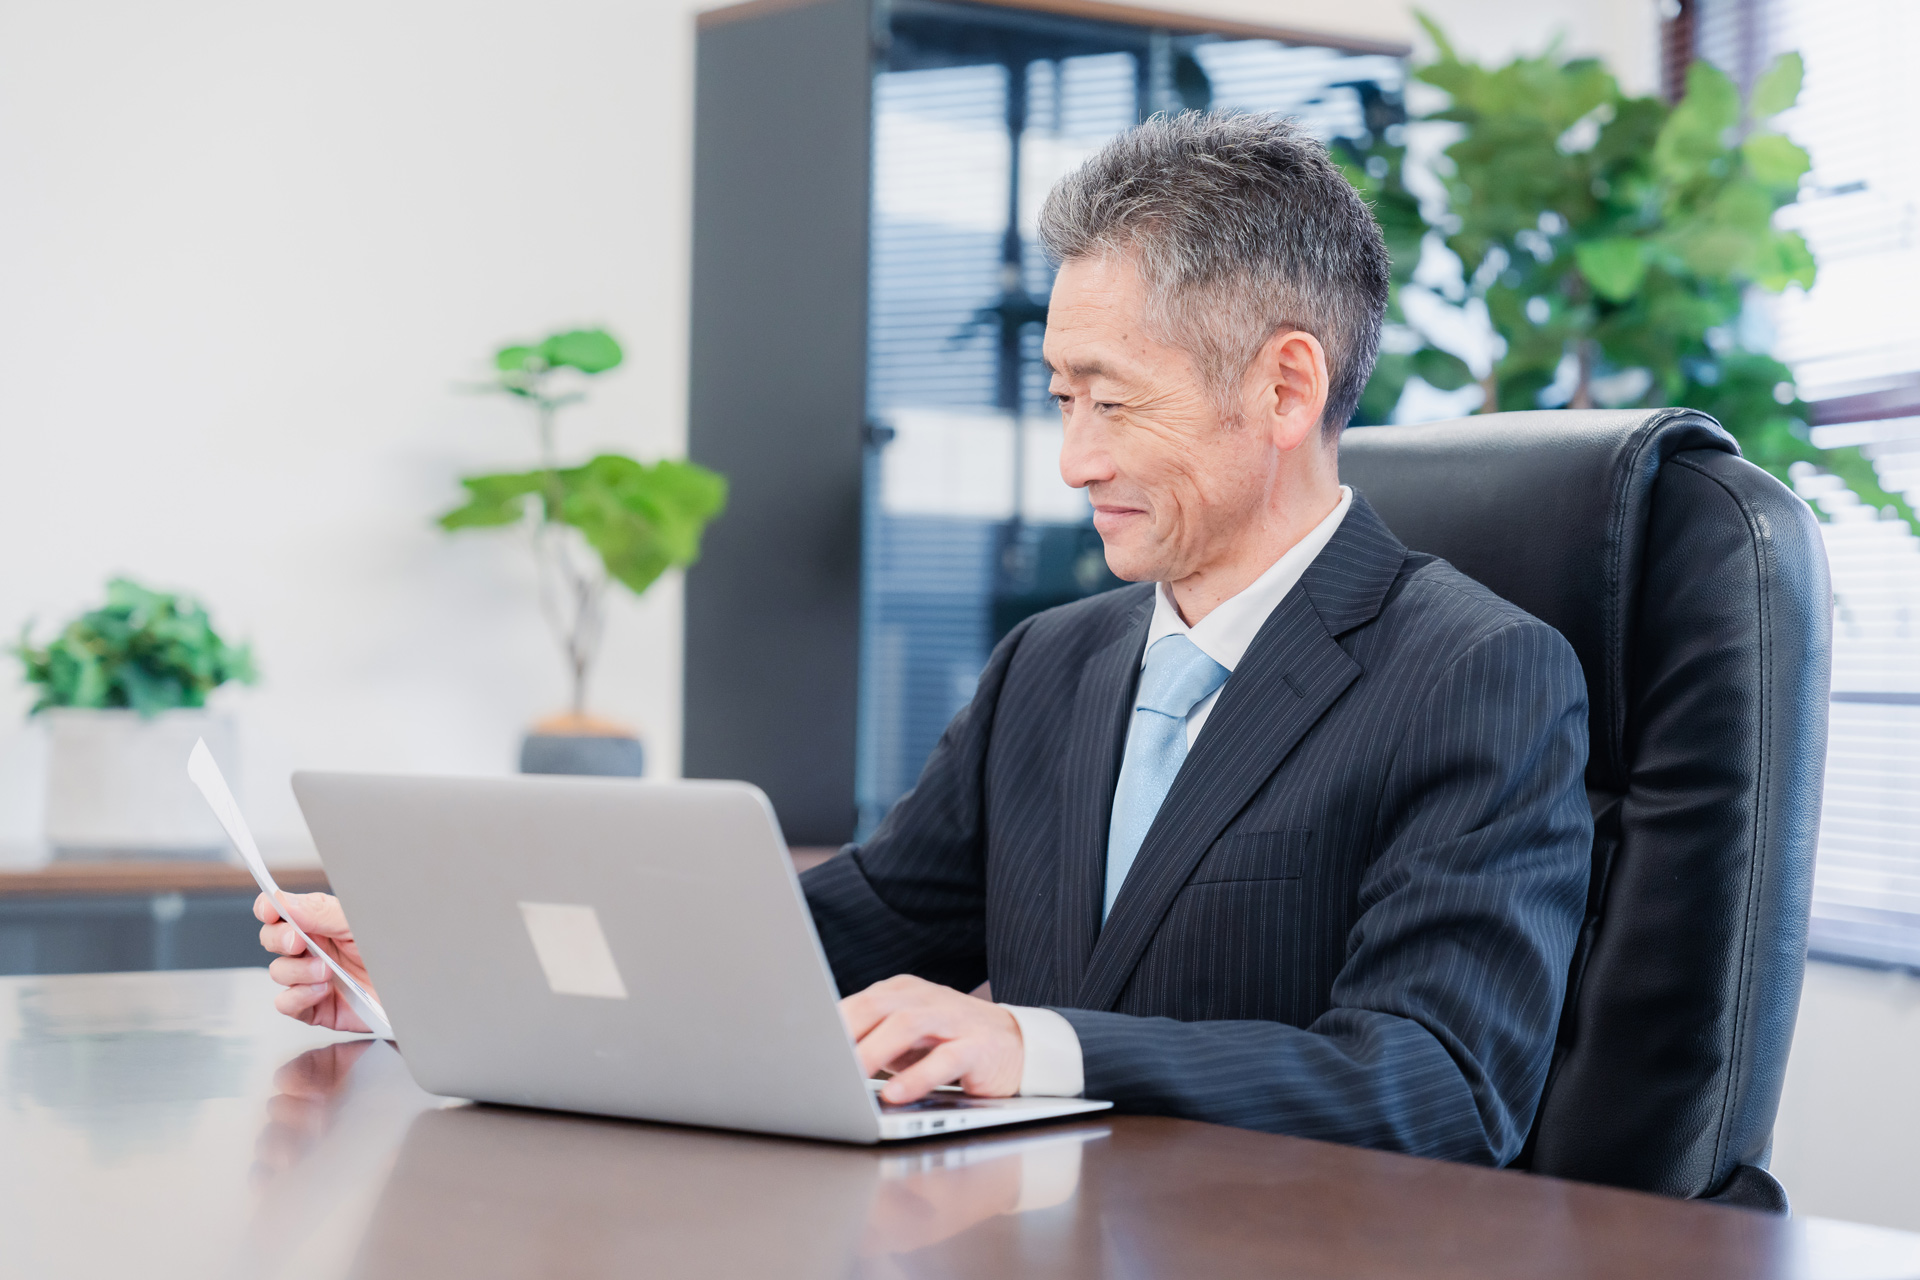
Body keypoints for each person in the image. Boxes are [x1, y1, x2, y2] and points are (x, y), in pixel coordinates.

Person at [258, 112, 1591, 1166]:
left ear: (1285, 386)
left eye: (1114, 403)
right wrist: (443, 965)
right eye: (1062, 397)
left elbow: (1440, 1083)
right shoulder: (1053, 667)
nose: (1074, 460)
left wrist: (1039, 1045)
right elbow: (830, 940)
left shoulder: (1477, 675)